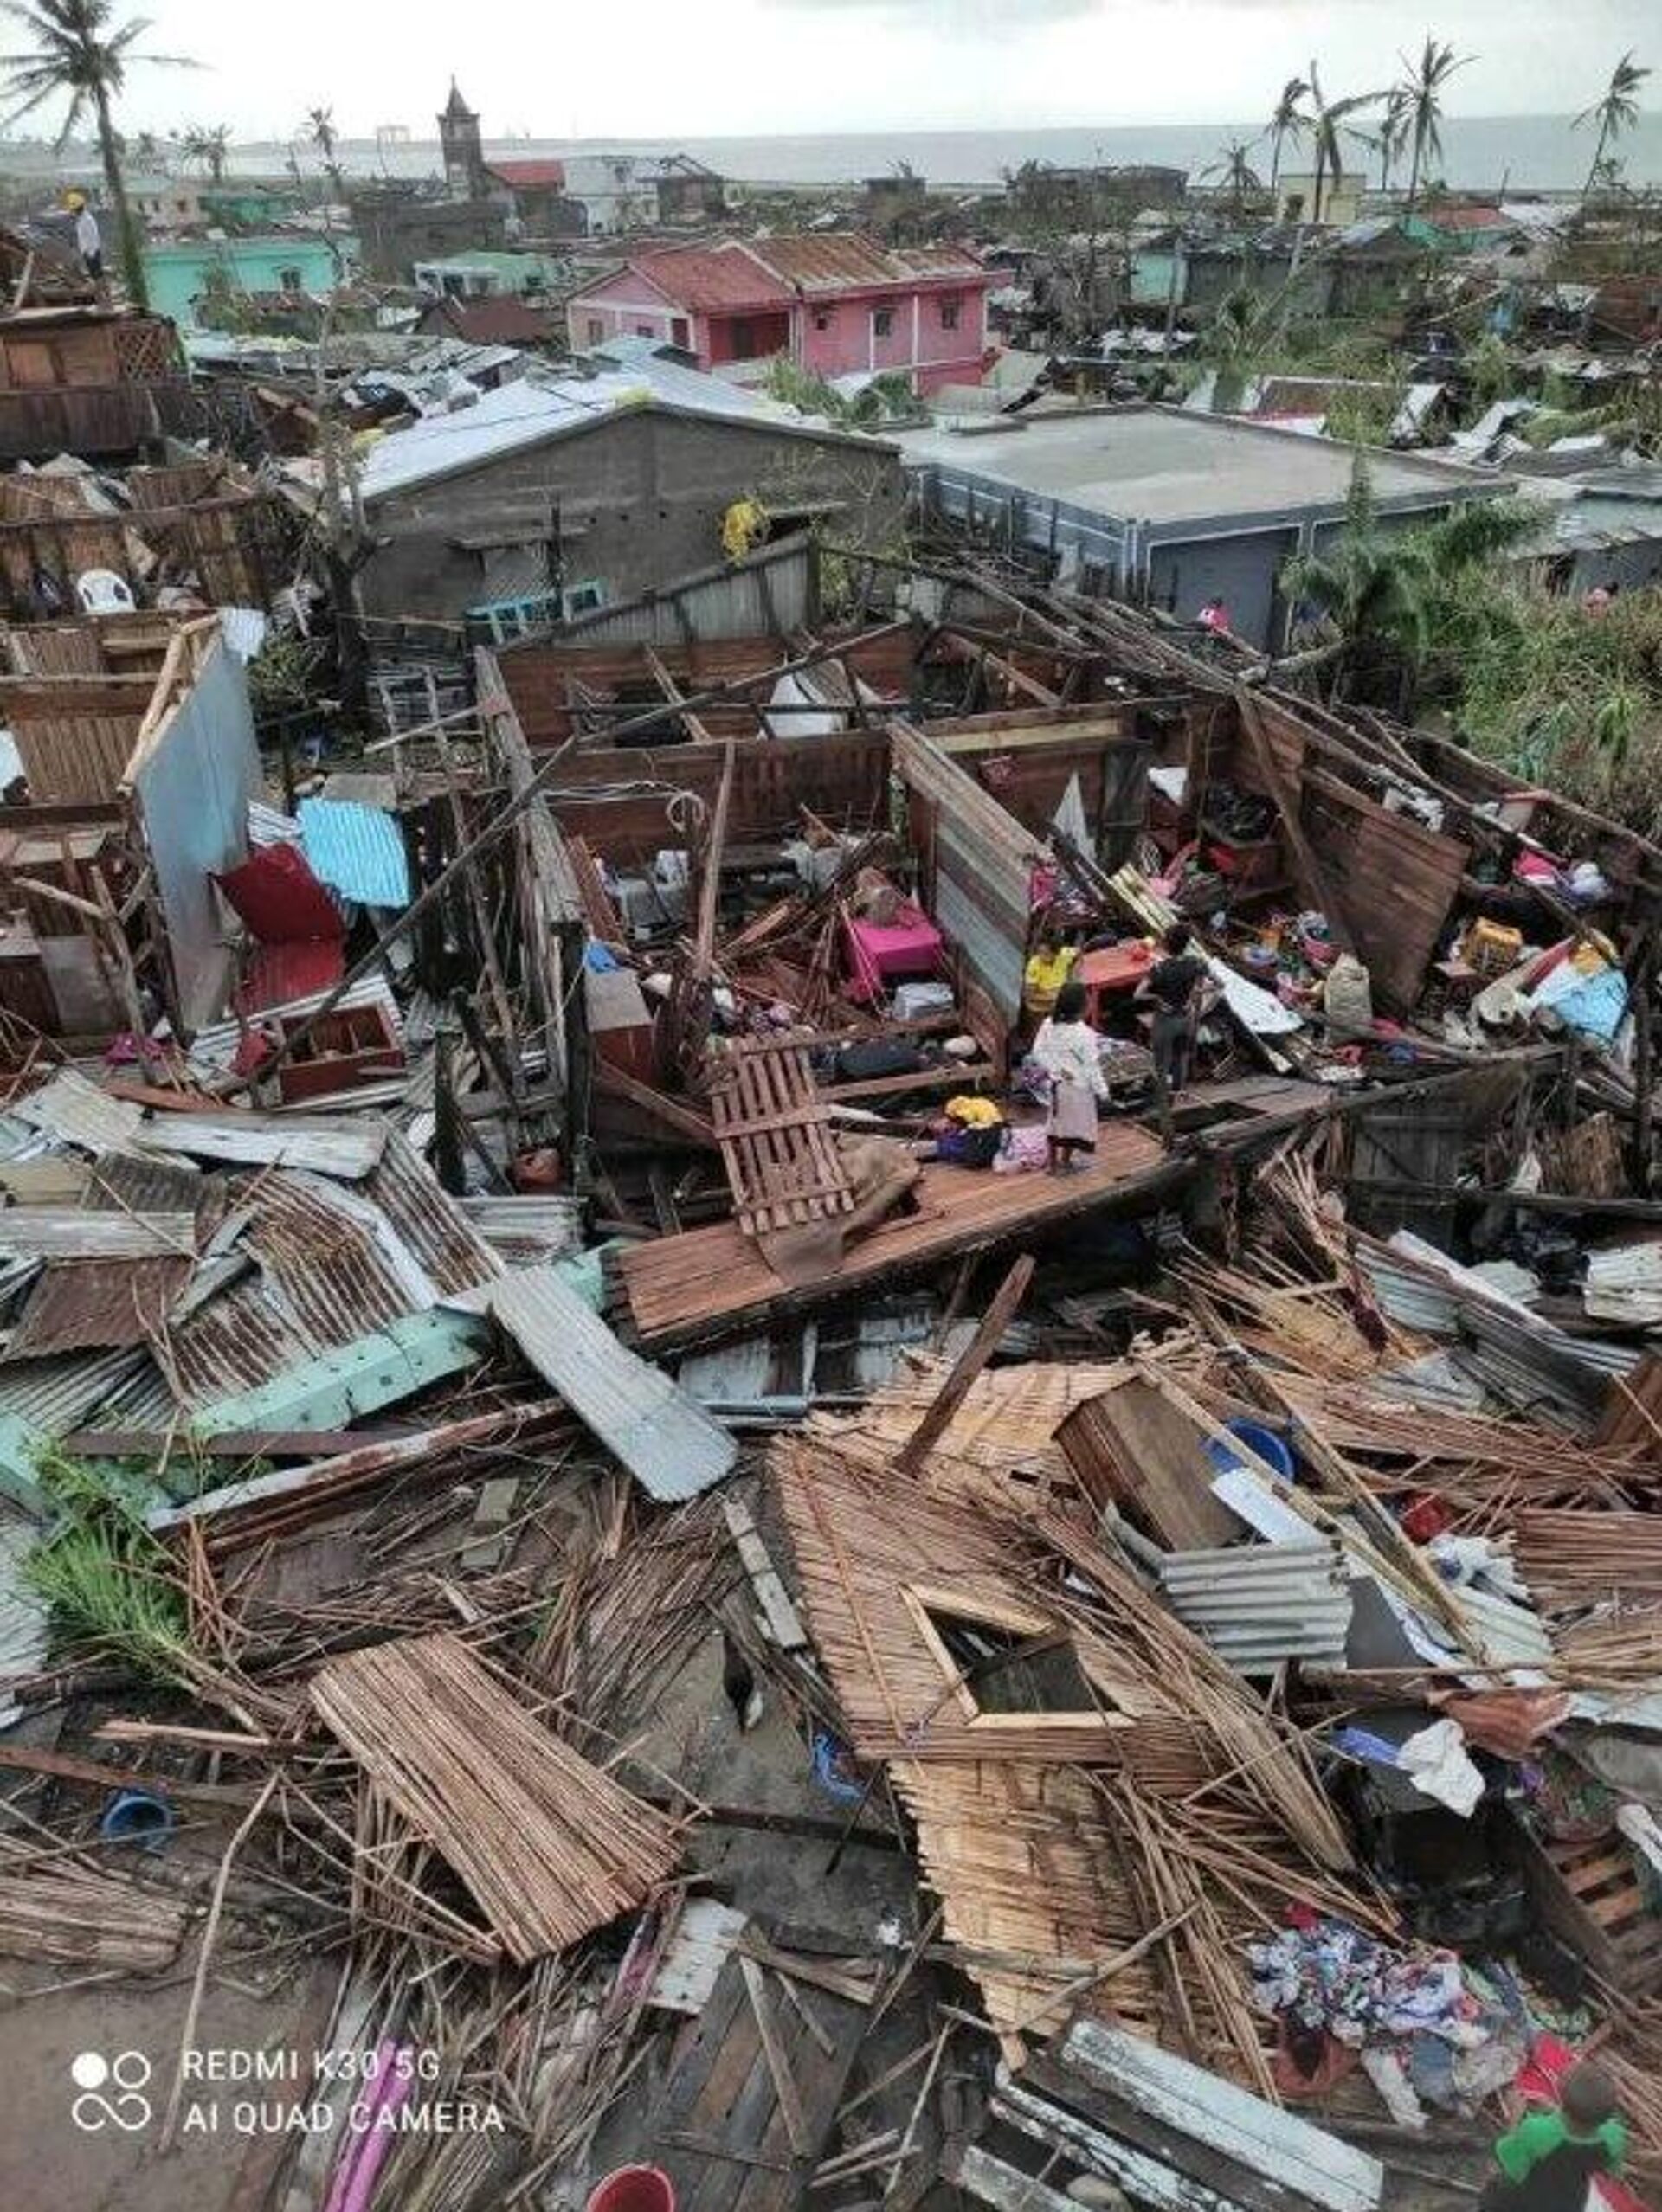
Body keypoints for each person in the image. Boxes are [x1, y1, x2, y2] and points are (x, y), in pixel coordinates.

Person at [1482, 2062, 1627, 2212]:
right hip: (1571, 2202)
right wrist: (1557, 2112)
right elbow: (1612, 2172)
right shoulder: (1615, 2134)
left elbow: (1511, 2166)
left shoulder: (1535, 2130)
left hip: (1526, 2202)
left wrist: (1514, 2117)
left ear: (1562, 2099)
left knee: (1496, 2193)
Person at [1032, 978, 1107, 1174]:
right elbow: (1092, 1067)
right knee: (1074, 1127)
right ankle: (1065, 1162)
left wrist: (1056, 1070)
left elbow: (1038, 1052)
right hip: (1080, 1088)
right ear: (1082, 1006)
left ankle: (1052, 1165)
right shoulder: (1086, 1034)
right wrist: (1103, 1091)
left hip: (1058, 1085)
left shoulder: (1048, 1024)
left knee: (1055, 1124)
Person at [1137, 922, 1209, 1097]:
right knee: (1181, 1057)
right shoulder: (1197, 963)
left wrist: (1157, 998)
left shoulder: (1159, 968)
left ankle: (1162, 1098)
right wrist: (1196, 992)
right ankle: (1179, 1092)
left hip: (1165, 1020)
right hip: (1186, 1019)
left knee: (1162, 1060)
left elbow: (1138, 994)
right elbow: (1220, 984)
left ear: (1167, 944)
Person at [1022, 928, 1076, 1021]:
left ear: (1055, 953)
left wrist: (1072, 972)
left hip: (1063, 990)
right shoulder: (1034, 964)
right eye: (1039, 952)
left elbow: (1079, 953)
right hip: (1044, 996)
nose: (1041, 956)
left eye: (1046, 954)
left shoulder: (1064, 954)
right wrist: (1052, 997)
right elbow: (1029, 993)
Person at [72, 196, 102, 284]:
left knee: (96, 273)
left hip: (92, 251)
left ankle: (100, 288)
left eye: (74, 210)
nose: (73, 212)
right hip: (87, 251)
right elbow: (82, 236)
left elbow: (93, 236)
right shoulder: (81, 219)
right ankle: (97, 286)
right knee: (93, 272)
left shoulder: (87, 220)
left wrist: (91, 252)